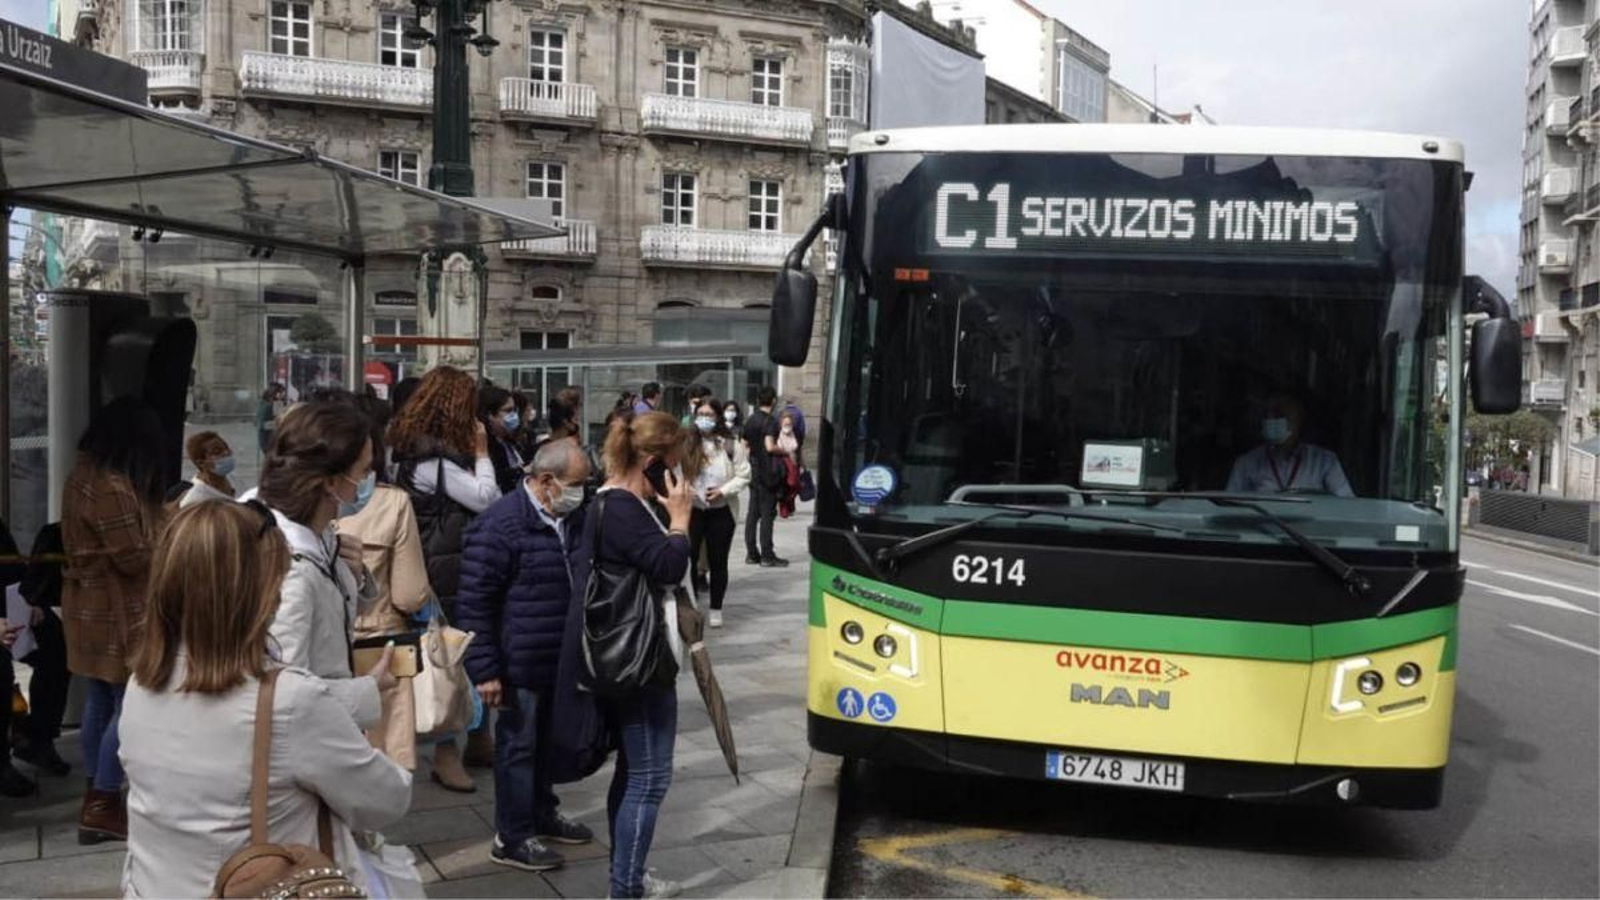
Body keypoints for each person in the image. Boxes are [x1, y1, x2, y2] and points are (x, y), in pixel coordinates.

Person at [119, 501, 413, 899]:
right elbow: (383, 801)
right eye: (278, 580)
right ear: (256, 594)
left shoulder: (142, 685)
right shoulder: (289, 701)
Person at [457, 441, 596, 872]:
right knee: (517, 746)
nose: (582, 493)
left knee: (547, 744)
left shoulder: (571, 518)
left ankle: (542, 811)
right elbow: (474, 604)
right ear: (547, 481)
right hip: (519, 660)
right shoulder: (500, 525)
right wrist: (484, 670)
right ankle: (513, 836)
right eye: (577, 484)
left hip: (560, 657)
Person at [592, 411, 692, 899]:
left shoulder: (617, 500)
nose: (678, 471)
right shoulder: (624, 508)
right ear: (654, 460)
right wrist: (679, 521)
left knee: (633, 771)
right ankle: (625, 887)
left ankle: (627, 876)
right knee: (650, 778)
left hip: (624, 653)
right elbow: (668, 567)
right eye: (674, 461)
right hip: (640, 659)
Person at [61, 397, 169, 843]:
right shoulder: (110, 485)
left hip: (88, 606)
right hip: (117, 610)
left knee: (100, 701)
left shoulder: (80, 475)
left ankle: (97, 792)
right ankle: (104, 801)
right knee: (128, 704)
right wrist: (170, 534)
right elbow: (132, 556)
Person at [388, 366, 501, 775]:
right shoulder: (433, 460)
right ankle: (450, 748)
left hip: (440, 560)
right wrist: (484, 454)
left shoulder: (409, 451)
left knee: (455, 649)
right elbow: (487, 498)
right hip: (448, 565)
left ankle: (471, 739)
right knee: (453, 652)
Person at [256, 402, 386, 732]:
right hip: (306, 750)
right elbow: (285, 696)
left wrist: (355, 579)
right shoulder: (291, 571)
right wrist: (367, 691)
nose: (368, 482)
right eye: (363, 472)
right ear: (331, 482)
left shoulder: (322, 536)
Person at [339, 405, 432, 773]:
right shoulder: (393, 502)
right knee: (384, 757)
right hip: (380, 644)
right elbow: (410, 594)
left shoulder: (289, 506)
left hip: (324, 652)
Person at [5, 522, 73, 784]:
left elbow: (16, 575)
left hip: (15, 604)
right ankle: (31, 736)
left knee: (55, 648)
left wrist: (28, 600)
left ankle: (37, 736)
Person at [684, 398, 750, 629]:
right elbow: (676, 472)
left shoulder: (731, 444)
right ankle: (692, 605)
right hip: (693, 509)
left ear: (718, 417)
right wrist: (688, 490)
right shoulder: (686, 443)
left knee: (718, 560)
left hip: (721, 510)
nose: (704, 418)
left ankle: (716, 608)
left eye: (709, 414)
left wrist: (723, 490)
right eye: (700, 413)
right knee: (689, 558)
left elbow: (744, 475)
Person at [1225, 393, 1354, 497]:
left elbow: (1346, 506)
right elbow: (1230, 508)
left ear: (1299, 419)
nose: (1272, 420)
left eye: (1279, 414)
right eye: (1267, 415)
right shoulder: (1246, 463)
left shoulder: (1325, 462)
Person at [742, 386, 788, 567]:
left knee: (752, 514)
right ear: (774, 401)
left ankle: (752, 554)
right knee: (767, 514)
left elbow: (744, 444)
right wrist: (784, 452)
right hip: (768, 471)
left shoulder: (751, 420)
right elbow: (770, 446)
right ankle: (767, 555)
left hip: (754, 470)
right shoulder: (770, 421)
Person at [481, 384, 527, 496]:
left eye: (514, 410)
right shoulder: (487, 447)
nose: (514, 415)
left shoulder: (510, 443)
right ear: (490, 415)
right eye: (508, 411)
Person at [179, 431, 237, 507]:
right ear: (201, 463)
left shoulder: (228, 479)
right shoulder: (196, 499)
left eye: (226, 448)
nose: (226, 453)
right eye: (217, 452)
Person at [774, 409, 804, 519]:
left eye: (790, 424)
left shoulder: (793, 434)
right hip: (783, 464)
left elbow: (798, 449)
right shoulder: (778, 435)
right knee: (786, 485)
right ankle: (783, 508)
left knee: (795, 486)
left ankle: (790, 506)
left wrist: (802, 464)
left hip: (794, 463)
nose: (788, 426)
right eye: (785, 423)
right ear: (781, 423)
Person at [256, 383, 286, 454]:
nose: (283, 395)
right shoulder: (266, 406)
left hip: (276, 438)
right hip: (267, 439)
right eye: (281, 393)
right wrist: (278, 424)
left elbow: (279, 416)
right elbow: (262, 425)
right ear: (274, 392)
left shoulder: (276, 403)